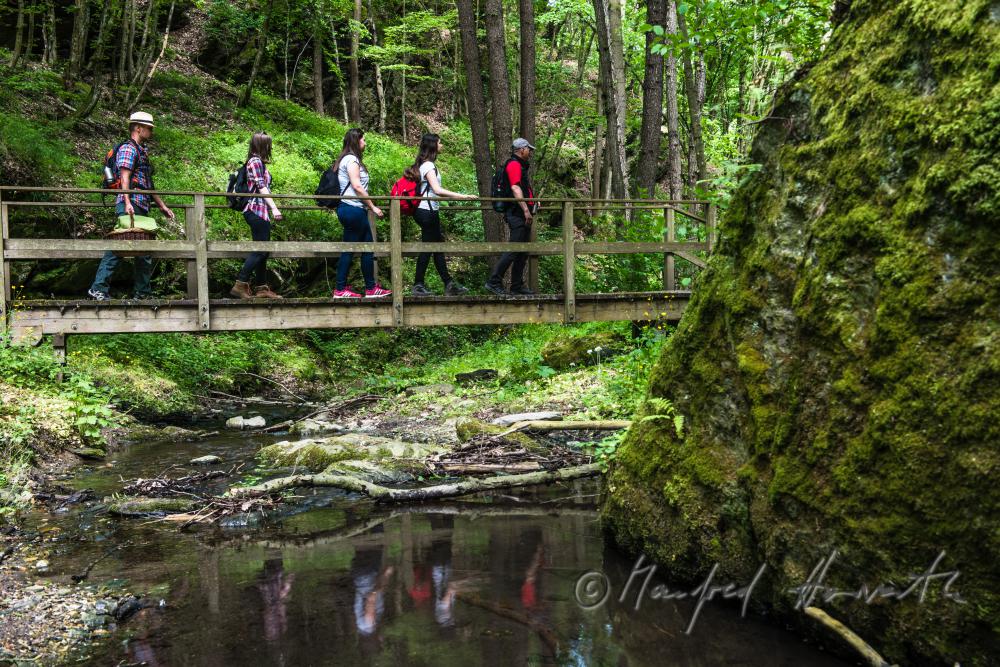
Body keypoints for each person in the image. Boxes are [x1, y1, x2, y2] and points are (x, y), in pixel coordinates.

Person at [88, 111, 175, 300]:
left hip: (141, 203)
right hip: (131, 203)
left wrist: (162, 206)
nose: (151, 132)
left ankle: (142, 293)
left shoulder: (142, 150)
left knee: (143, 250)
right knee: (119, 247)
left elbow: (147, 183)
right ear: (138, 128)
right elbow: (124, 177)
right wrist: (127, 201)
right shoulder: (128, 149)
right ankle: (98, 288)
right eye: (149, 128)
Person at [404, 133, 474, 296]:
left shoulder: (425, 164)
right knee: (429, 247)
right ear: (433, 145)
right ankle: (418, 285)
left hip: (427, 210)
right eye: (440, 143)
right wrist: (463, 197)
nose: (442, 146)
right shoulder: (428, 166)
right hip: (426, 211)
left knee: (437, 247)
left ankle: (449, 284)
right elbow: (437, 190)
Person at [331, 128, 391, 298]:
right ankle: (340, 289)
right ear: (357, 141)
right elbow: (357, 186)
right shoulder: (351, 160)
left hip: (352, 209)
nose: (365, 142)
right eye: (363, 139)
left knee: (367, 248)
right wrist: (373, 207)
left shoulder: (348, 159)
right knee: (350, 249)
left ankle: (370, 288)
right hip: (352, 209)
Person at [230, 132, 283, 299]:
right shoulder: (255, 161)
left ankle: (261, 288)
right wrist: (274, 208)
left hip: (260, 211)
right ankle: (240, 284)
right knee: (261, 249)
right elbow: (261, 187)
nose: (270, 147)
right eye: (268, 144)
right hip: (255, 209)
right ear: (262, 145)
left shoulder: (257, 162)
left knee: (263, 250)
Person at [484, 137, 537, 296]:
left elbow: (523, 188)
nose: (530, 152)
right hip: (517, 213)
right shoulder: (514, 165)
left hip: (521, 213)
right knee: (514, 249)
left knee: (522, 251)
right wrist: (526, 210)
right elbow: (515, 187)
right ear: (521, 150)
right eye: (529, 149)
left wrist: (533, 202)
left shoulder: (520, 166)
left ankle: (516, 285)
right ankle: (494, 281)